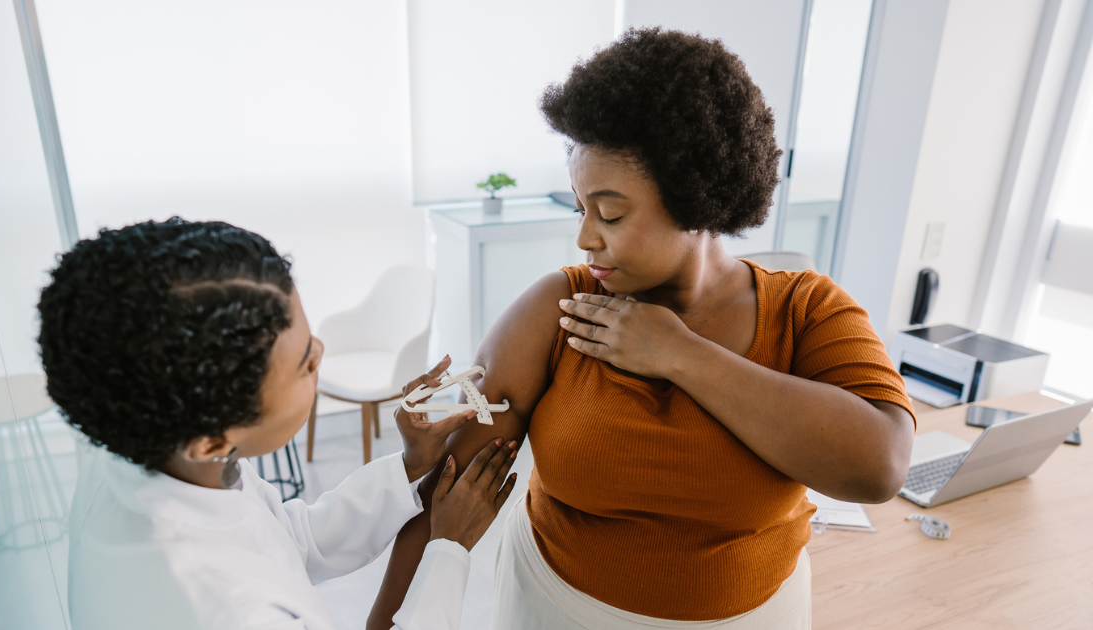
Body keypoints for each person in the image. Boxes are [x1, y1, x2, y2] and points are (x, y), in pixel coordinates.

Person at [369, 28, 916, 630]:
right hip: (556, 611)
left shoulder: (808, 310)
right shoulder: (560, 308)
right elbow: (445, 497)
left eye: (610, 213)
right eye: (581, 209)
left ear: (696, 195)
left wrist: (683, 355)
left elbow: (880, 467)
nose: (585, 237)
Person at [38, 218, 519, 630]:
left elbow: (287, 540)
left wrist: (409, 466)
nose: (322, 353)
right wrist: (448, 549)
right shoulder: (230, 610)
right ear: (210, 441)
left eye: (311, 338)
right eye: (304, 365)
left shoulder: (145, 445)